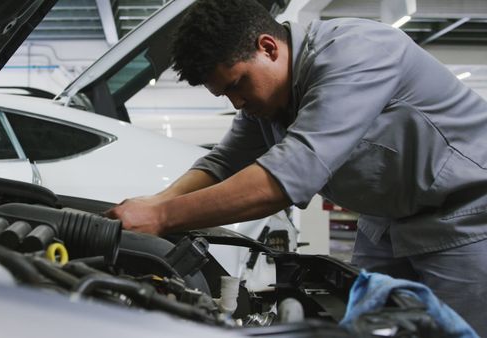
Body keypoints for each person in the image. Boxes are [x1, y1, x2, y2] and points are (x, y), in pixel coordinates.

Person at [105, 0, 487, 334]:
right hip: (386, 224)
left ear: (268, 47)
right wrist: (156, 202)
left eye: (239, 84)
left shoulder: (356, 53)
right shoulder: (269, 101)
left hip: (462, 217)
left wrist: (162, 217)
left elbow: (283, 179)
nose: (237, 103)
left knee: (456, 332)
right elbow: (222, 163)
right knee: (367, 326)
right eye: (226, 94)